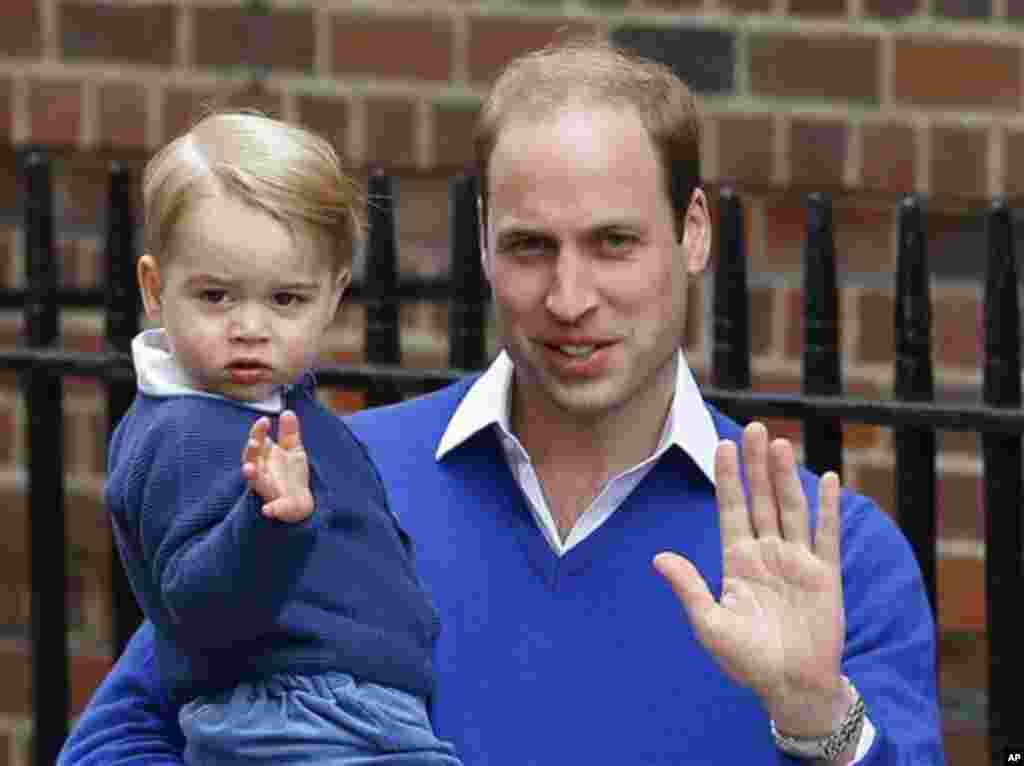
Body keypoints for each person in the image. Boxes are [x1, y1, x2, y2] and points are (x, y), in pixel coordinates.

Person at [59, 41, 943, 765]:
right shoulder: (327, 471)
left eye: (613, 243)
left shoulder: (838, 559)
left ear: (695, 232)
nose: (569, 297)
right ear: (482, 242)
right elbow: (116, 741)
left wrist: (818, 716)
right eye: (529, 246)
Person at [93, 111, 460, 765]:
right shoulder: (182, 432)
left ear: (333, 295)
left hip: (360, 703)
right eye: (215, 296)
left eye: (286, 299)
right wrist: (272, 525)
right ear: (154, 287)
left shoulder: (285, 408)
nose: (250, 327)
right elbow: (199, 611)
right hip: (291, 711)